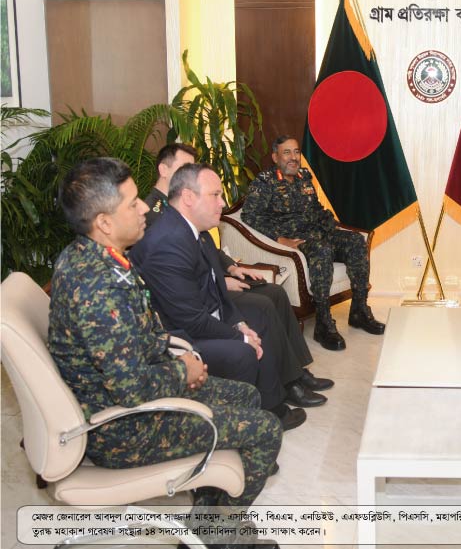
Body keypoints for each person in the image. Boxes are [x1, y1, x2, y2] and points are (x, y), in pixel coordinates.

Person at [48, 158, 281, 548]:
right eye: (132, 203)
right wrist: (183, 371)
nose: (145, 207)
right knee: (266, 430)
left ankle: (208, 523)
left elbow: (138, 338)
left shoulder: (97, 257)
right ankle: (221, 538)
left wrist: (182, 357)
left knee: (247, 396)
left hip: (132, 396)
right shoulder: (97, 289)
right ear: (104, 223)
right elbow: (131, 389)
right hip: (123, 429)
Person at [131, 163, 325, 432]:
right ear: (188, 197)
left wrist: (239, 323)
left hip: (204, 314)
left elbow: (218, 291)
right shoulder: (167, 242)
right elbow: (191, 320)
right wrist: (240, 336)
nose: (222, 203)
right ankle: (260, 416)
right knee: (245, 347)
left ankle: (275, 400)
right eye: (215, 195)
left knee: (259, 313)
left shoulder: (195, 231)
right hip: (180, 334)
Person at [241, 135, 385, 351]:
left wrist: (333, 227)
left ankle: (359, 311)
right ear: (275, 157)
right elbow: (250, 216)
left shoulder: (304, 176)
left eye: (296, 152)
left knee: (355, 241)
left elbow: (315, 208)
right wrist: (279, 238)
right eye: (287, 152)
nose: (293, 157)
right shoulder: (265, 182)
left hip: (319, 233)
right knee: (322, 249)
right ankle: (323, 324)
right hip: (298, 239)